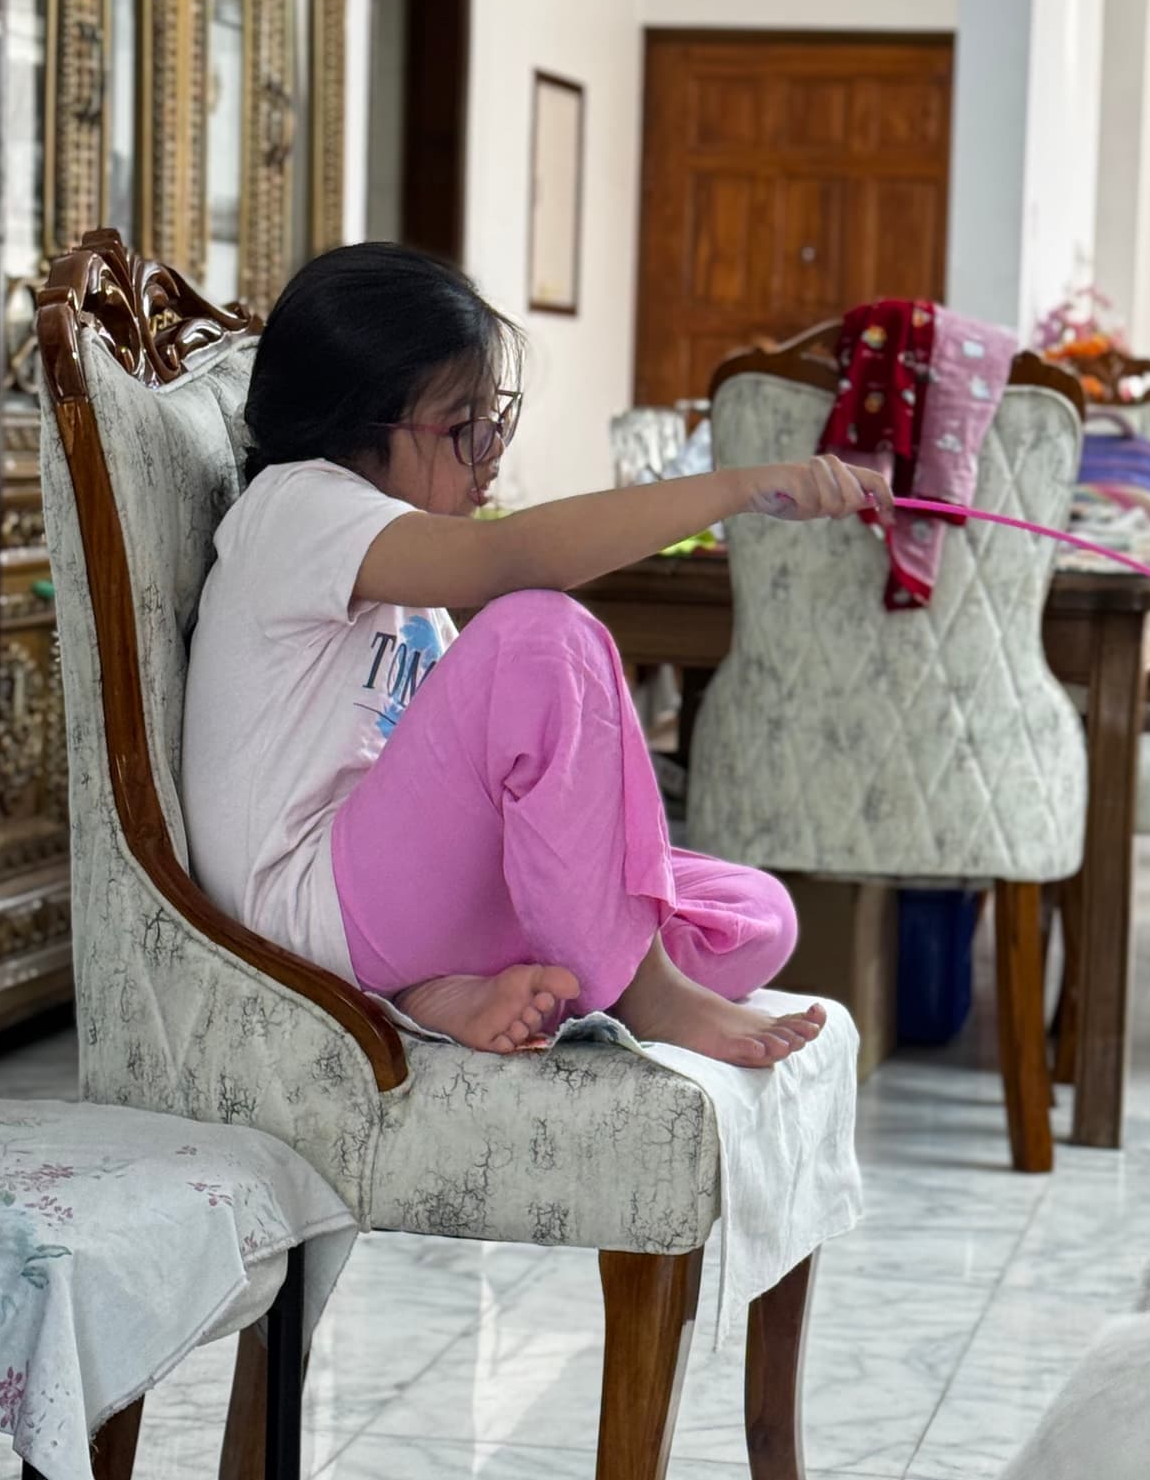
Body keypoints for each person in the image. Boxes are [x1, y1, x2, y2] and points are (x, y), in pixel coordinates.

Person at [182, 243, 893, 1070]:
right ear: (357, 423)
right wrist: (739, 488)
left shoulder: (403, 571)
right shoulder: (295, 505)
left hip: (395, 901)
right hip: (311, 910)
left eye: (496, 418)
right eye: (464, 427)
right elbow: (517, 558)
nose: (491, 453)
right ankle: (644, 991)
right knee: (539, 635)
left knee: (753, 912)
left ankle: (438, 987)